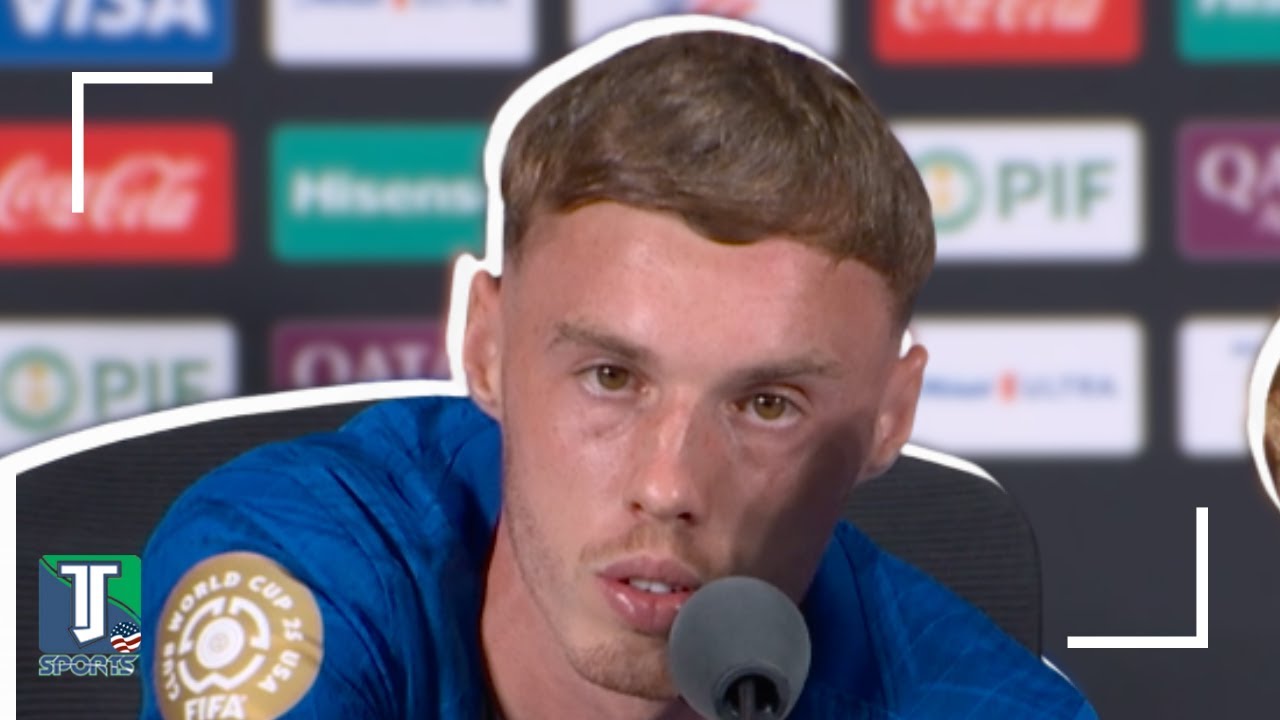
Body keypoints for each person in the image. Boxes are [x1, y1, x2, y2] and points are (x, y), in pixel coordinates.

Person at [140, 17, 1098, 720]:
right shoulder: (297, 556)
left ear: (890, 417)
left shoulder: (977, 704)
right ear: (485, 346)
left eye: (767, 404)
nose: (669, 486)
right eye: (610, 378)